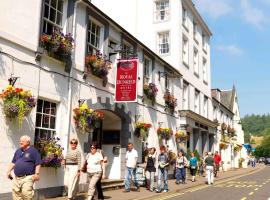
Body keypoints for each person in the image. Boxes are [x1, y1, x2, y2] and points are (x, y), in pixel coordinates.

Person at [6, 135, 42, 200]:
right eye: (20, 141)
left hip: (28, 177)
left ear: (28, 142)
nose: (20, 142)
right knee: (16, 194)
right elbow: (13, 162)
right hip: (17, 178)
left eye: (22, 141)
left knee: (26, 194)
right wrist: (9, 171)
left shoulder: (33, 151)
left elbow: (38, 163)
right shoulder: (18, 151)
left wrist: (37, 174)